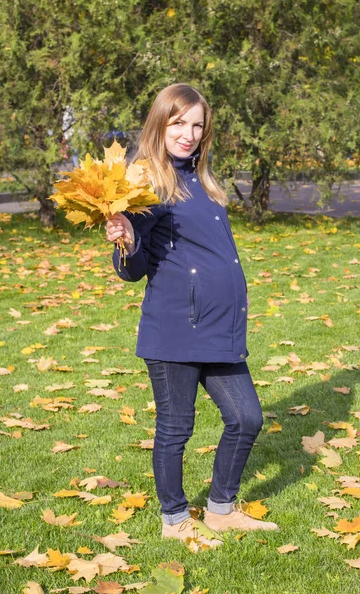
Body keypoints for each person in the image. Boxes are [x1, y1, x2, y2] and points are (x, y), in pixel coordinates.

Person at [105, 83, 278, 548]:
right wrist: (125, 237)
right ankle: (175, 517)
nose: (188, 133)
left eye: (197, 124)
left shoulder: (201, 181)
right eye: (179, 122)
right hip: (175, 329)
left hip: (219, 329)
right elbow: (133, 268)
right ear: (159, 124)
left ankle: (221, 510)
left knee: (246, 417)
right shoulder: (148, 185)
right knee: (176, 428)